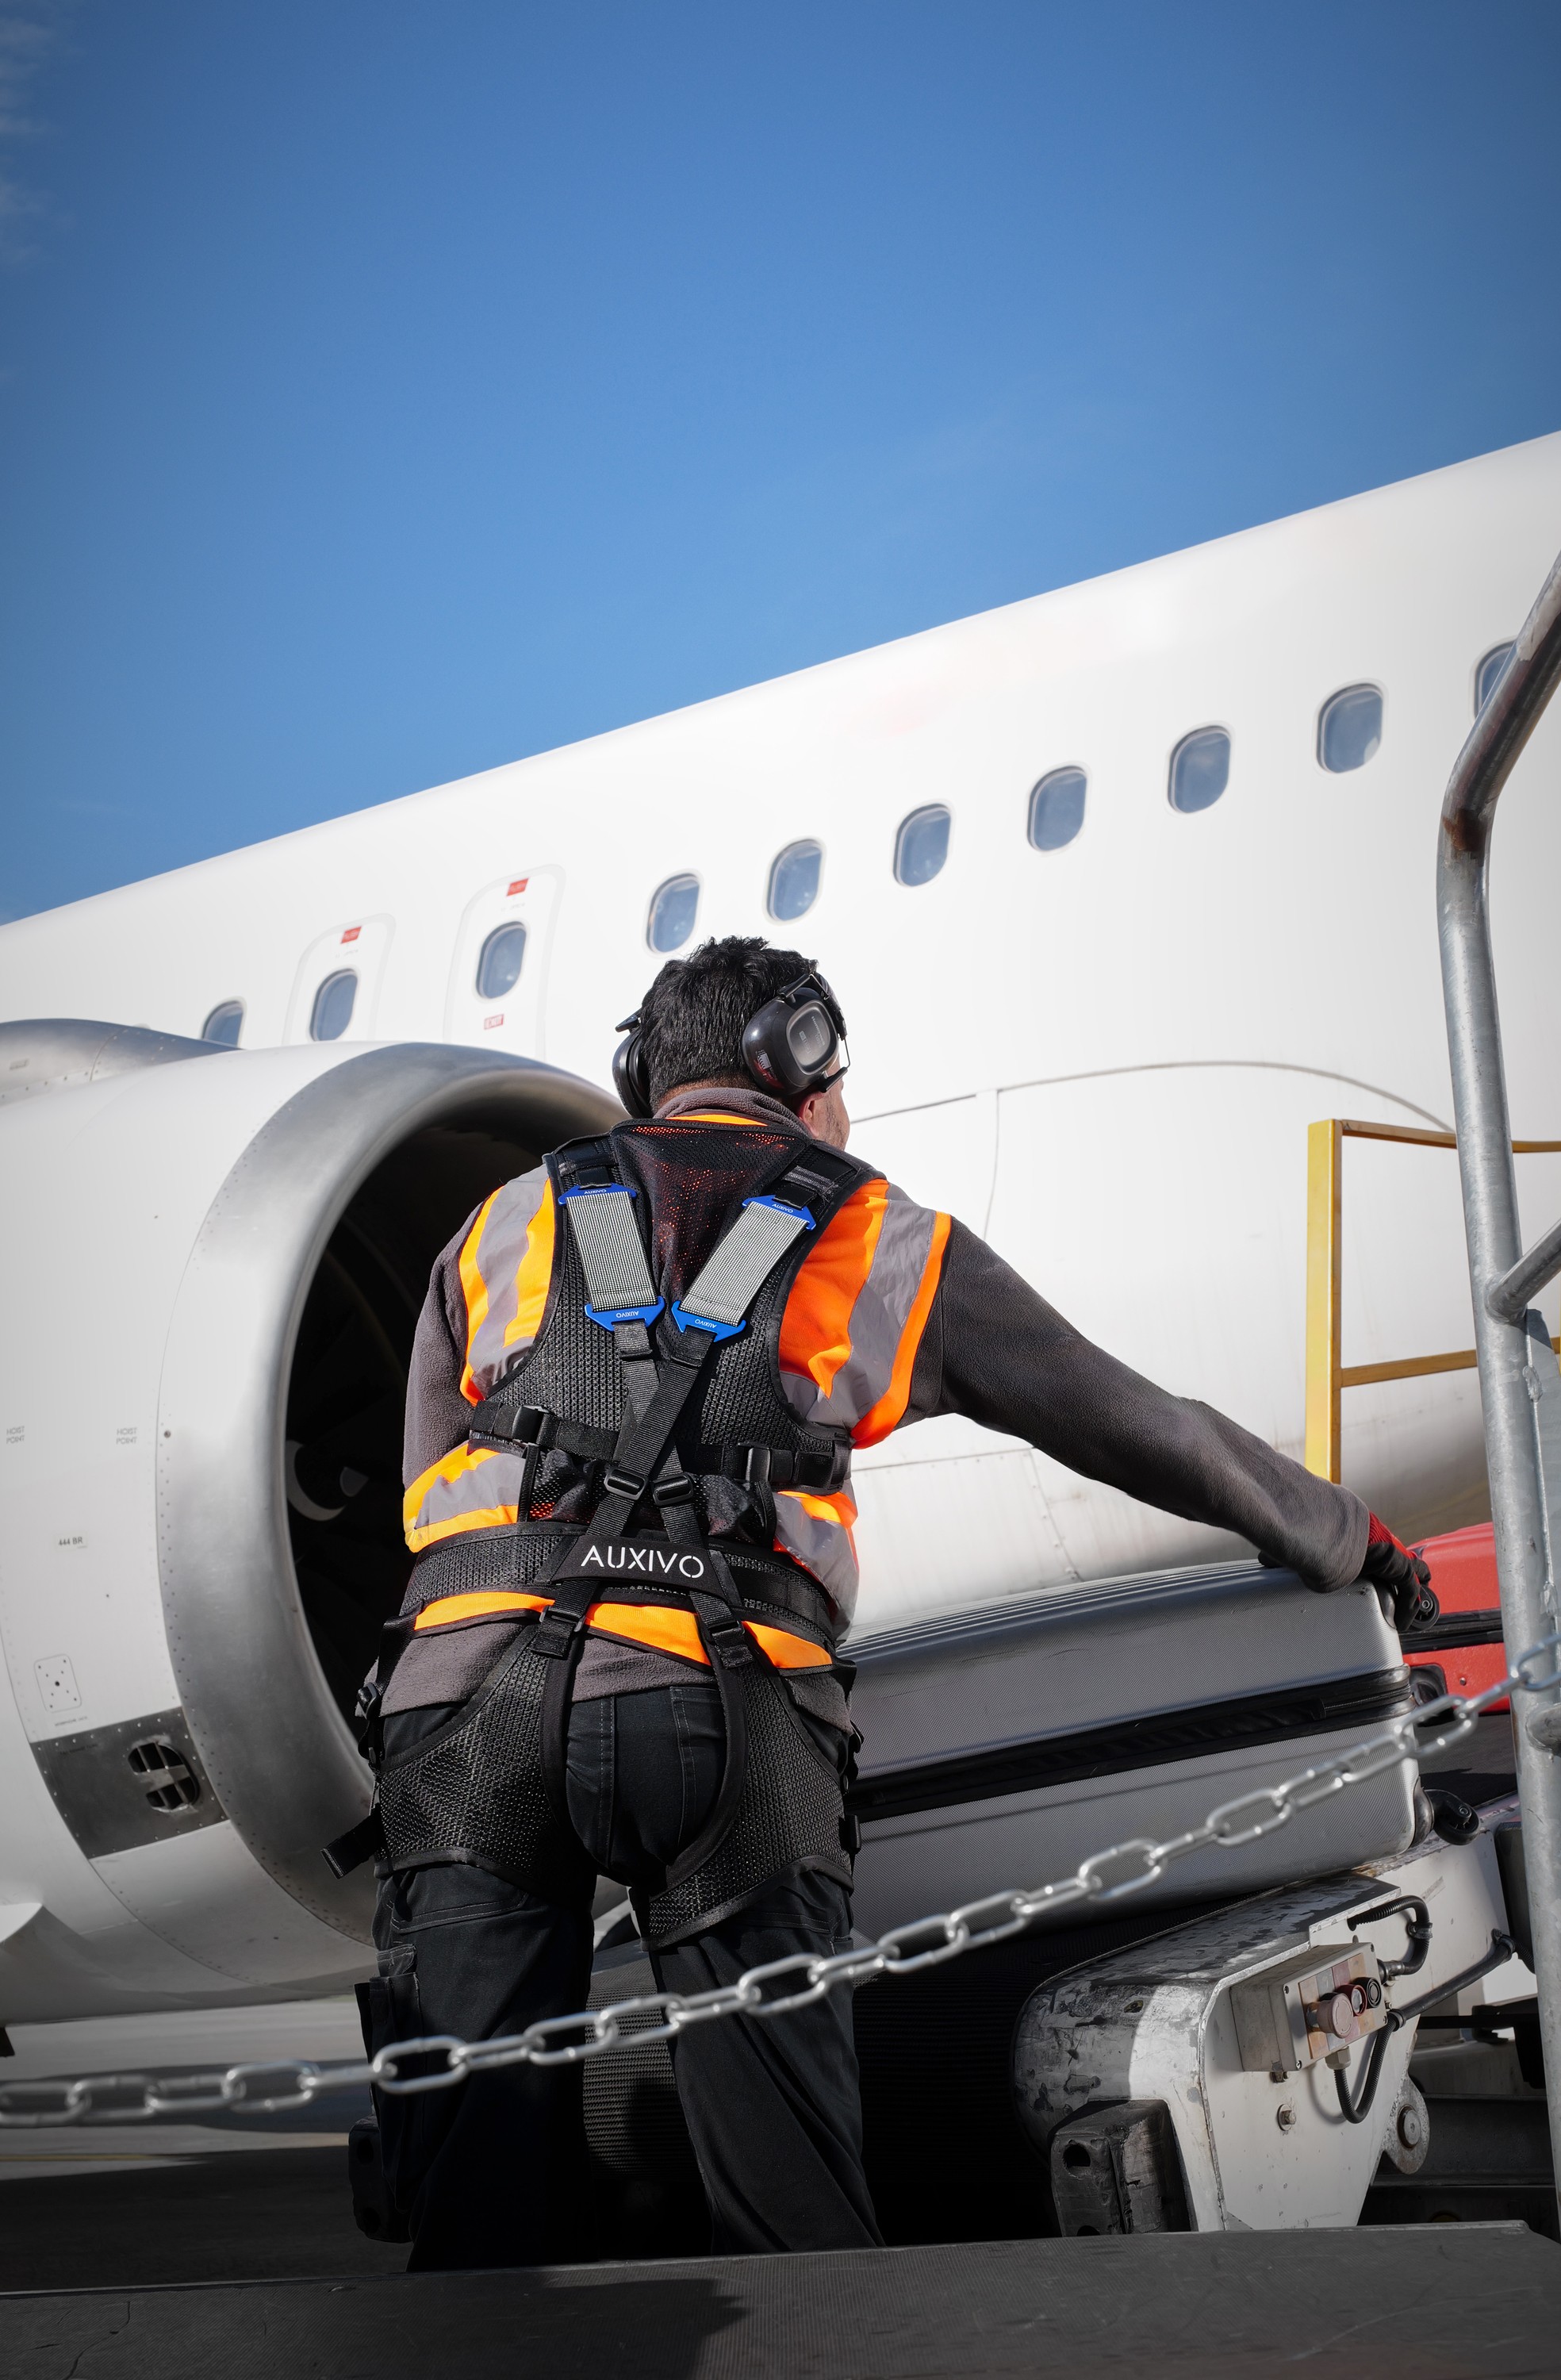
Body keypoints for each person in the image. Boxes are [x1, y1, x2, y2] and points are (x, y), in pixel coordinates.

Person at [348, 935, 1430, 2270]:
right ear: (797, 1066)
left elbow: (427, 1504)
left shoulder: (500, 1220)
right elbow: (1131, 1423)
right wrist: (1344, 1531)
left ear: (646, 1075)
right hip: (722, 1704)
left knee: (474, 2198)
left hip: (469, 1715)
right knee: (791, 2204)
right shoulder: (873, 1229)